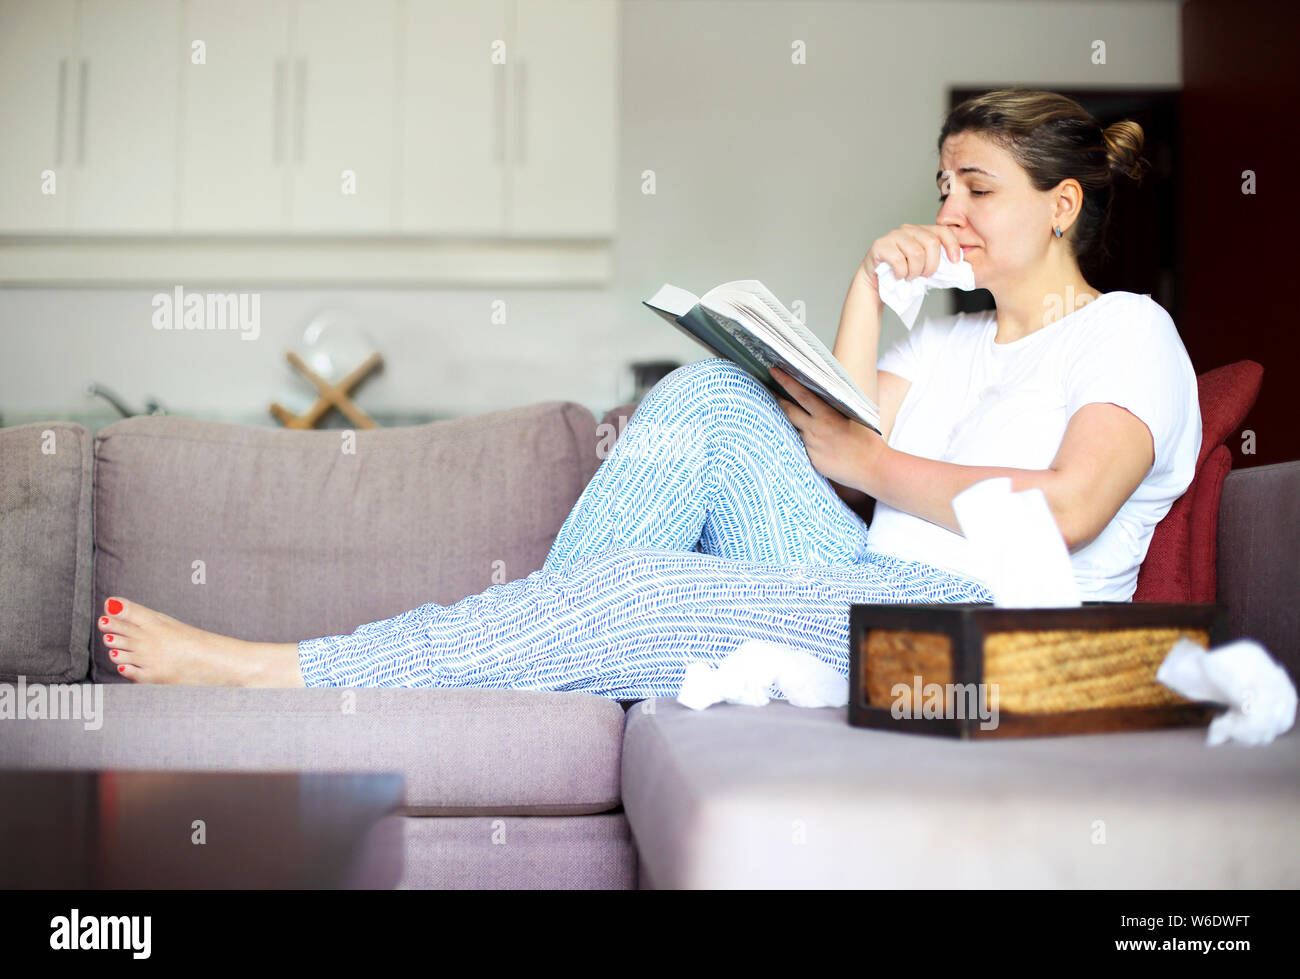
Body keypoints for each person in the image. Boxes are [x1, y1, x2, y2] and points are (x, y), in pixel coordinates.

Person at [95, 89, 1200, 694]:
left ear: (1061, 206)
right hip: (871, 572)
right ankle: (549, 655)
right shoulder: (959, 340)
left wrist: (871, 467)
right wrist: (869, 282)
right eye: (941, 185)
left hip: (984, 634)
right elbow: (839, 424)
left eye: (978, 188)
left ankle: (287, 670)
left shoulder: (1127, 331)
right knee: (713, 394)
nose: (949, 209)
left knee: (647, 594)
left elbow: (1068, 505)